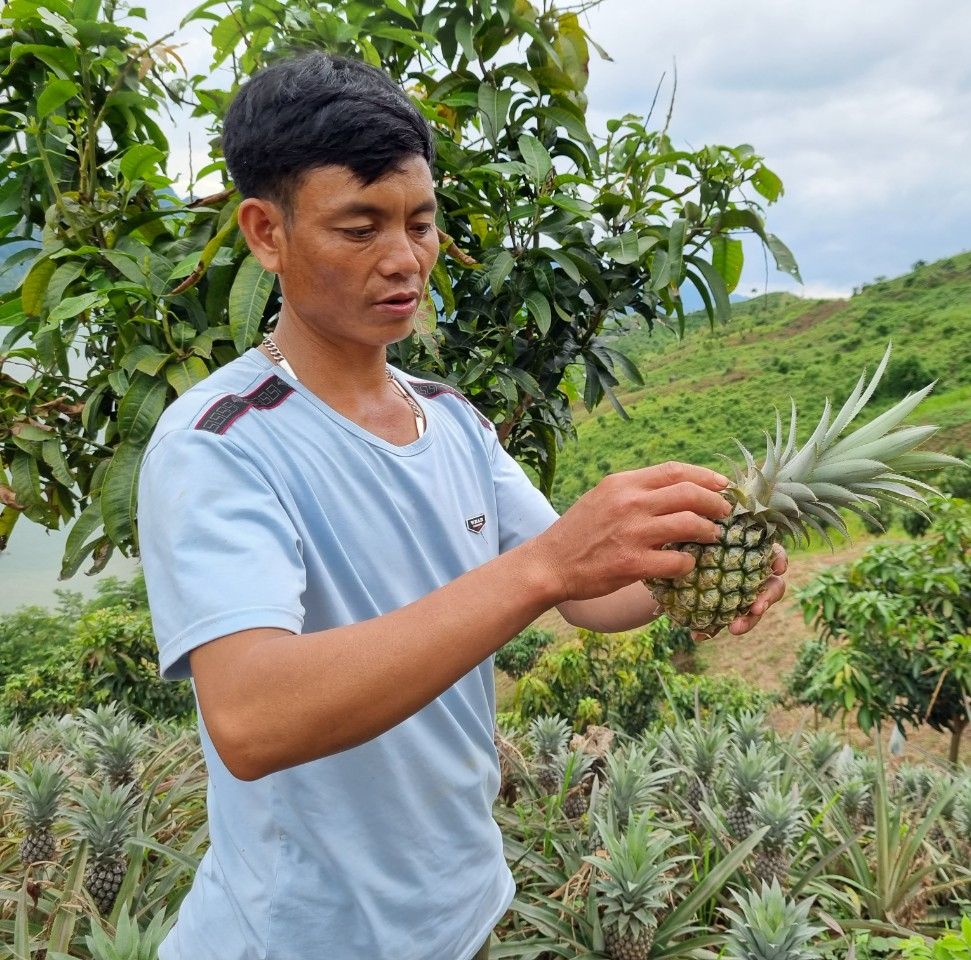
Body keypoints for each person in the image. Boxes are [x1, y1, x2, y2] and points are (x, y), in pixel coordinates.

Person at [137, 52, 787, 960]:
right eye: (359, 227)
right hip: (302, 940)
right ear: (265, 233)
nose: (405, 260)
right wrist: (547, 565)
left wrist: (691, 564)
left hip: (461, 913)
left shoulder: (449, 418)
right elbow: (251, 719)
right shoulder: (218, 443)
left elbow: (587, 596)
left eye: (421, 222)